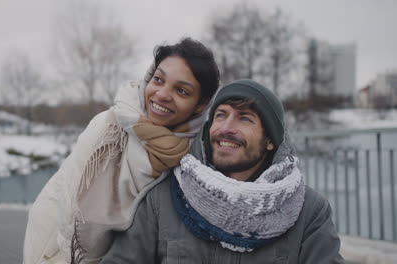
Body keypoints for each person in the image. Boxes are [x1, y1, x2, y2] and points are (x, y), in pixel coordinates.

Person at [101, 79, 344, 263]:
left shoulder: (308, 210)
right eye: (220, 115)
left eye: (245, 118)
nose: (226, 128)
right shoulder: (163, 198)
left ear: (270, 140)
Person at [23, 38, 220, 264]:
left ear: (200, 105)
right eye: (158, 79)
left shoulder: (196, 159)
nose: (162, 94)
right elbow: (66, 205)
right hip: (57, 249)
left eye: (182, 91)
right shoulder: (108, 127)